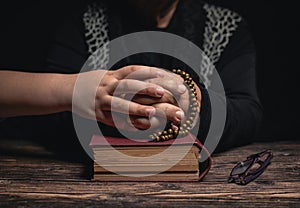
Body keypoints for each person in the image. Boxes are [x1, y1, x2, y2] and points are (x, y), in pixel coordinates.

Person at [0, 0, 262, 159]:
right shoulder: (85, 21)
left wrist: (195, 101)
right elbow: (50, 116)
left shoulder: (225, 25)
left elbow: (248, 112)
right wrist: (124, 112)